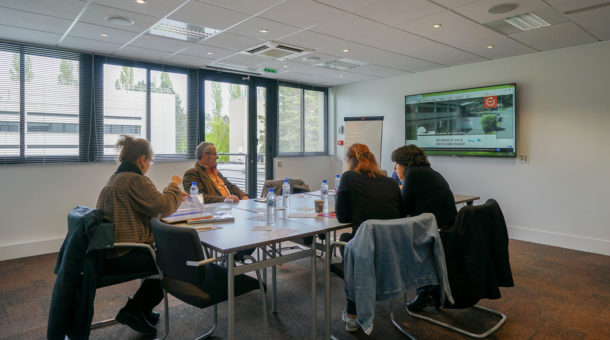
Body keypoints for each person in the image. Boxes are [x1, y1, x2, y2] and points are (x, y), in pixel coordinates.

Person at [96, 135, 186, 335]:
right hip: (124, 253)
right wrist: (173, 186)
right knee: (170, 262)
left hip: (109, 252)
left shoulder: (117, 178)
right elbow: (163, 207)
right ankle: (134, 310)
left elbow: (151, 204)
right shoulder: (135, 180)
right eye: (150, 161)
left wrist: (168, 194)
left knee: (158, 256)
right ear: (142, 159)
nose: (149, 165)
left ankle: (143, 309)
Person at [335, 143, 404, 332]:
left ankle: (352, 311)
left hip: (367, 249)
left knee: (346, 239)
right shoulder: (390, 182)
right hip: (391, 246)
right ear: (372, 158)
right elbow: (400, 213)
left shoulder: (348, 177)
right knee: (353, 238)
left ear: (349, 161)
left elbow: (342, 217)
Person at [391, 144, 457, 311]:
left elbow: (403, 209)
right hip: (448, 229)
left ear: (405, 164)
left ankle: (425, 290)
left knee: (392, 237)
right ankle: (428, 288)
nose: (394, 168)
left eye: (397, 164)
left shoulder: (413, 175)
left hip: (434, 233)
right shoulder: (428, 172)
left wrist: (399, 185)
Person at [183, 142, 249, 203]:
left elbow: (230, 186)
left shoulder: (215, 171)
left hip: (229, 206)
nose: (217, 157)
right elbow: (198, 198)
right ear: (205, 155)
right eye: (215, 154)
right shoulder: (192, 173)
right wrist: (225, 199)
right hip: (214, 211)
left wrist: (243, 196)